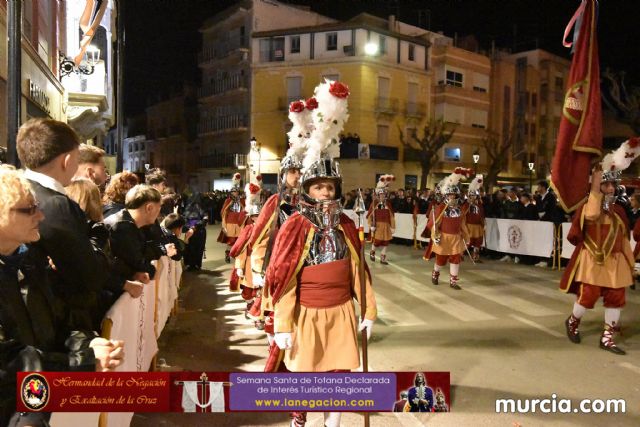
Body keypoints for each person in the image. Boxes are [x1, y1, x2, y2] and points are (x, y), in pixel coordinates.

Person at [267, 81, 376, 427]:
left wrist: (369, 312)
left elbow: (359, 273)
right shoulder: (296, 224)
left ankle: (333, 423)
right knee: (305, 373)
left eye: (329, 187)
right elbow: (284, 280)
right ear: (308, 191)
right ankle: (300, 418)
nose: (325, 192)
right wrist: (282, 325)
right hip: (307, 313)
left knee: (339, 375)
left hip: (342, 310)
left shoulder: (345, 224)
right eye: (318, 187)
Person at [0, 166, 123, 426]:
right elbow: (8, 362)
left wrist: (87, 344)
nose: (41, 215)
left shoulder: (31, 260)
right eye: (29, 209)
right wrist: (83, 361)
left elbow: (61, 318)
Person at [17, 118, 109, 331]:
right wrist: (97, 245)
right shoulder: (56, 204)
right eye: (77, 158)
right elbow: (90, 275)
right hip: (57, 323)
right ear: (67, 160)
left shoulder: (21, 190)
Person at [561, 141, 638, 355]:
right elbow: (593, 215)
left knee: (616, 298)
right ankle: (573, 321)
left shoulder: (620, 211)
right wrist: (595, 186)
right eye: (606, 185)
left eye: (613, 185)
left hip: (616, 262)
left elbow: (623, 240)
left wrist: (631, 264)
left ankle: (607, 338)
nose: (611, 188)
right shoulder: (589, 206)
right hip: (593, 259)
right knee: (588, 297)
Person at [248, 100, 308, 334]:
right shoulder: (275, 202)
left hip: (301, 264)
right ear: (283, 175)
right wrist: (258, 269)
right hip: (276, 262)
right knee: (276, 318)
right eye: (292, 172)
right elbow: (260, 236)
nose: (297, 175)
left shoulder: (307, 203)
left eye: (300, 172)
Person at [104, 185, 171, 297]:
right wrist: (146, 270)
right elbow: (140, 264)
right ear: (149, 208)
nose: (159, 213)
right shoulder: (122, 227)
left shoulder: (128, 224)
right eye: (159, 207)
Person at [424, 169, 471, 290]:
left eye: (454, 195)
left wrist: (466, 237)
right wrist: (435, 236)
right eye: (450, 195)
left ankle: (453, 281)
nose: (452, 197)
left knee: (456, 259)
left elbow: (463, 225)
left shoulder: (459, 209)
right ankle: (435, 274)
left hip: (456, 238)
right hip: (443, 237)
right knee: (440, 259)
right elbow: (435, 224)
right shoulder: (440, 208)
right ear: (446, 195)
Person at [229, 180, 263, 320]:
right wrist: (239, 266)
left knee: (261, 290)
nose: (257, 218)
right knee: (249, 290)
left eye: (259, 216)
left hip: (262, 263)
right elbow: (241, 248)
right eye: (254, 216)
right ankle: (250, 305)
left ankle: (258, 312)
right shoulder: (248, 229)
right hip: (249, 263)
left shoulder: (267, 230)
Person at [368, 175, 396, 264]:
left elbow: (391, 216)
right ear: (378, 195)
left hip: (387, 226)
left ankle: (383, 258)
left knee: (386, 243)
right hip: (378, 226)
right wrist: (371, 225)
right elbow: (370, 216)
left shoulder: (388, 204)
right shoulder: (374, 203)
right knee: (376, 242)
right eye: (381, 194)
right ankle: (372, 252)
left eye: (384, 194)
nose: (382, 196)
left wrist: (392, 227)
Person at [218, 173, 246, 263]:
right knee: (231, 240)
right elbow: (223, 212)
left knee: (239, 240)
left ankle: (237, 255)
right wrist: (224, 224)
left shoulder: (242, 200)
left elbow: (245, 210)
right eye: (234, 192)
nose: (235, 193)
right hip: (230, 222)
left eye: (236, 192)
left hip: (239, 222)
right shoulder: (228, 201)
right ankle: (227, 254)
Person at [183, 193, 209, 270]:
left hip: (194, 230)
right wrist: (194, 226)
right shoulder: (201, 207)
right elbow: (205, 219)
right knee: (196, 247)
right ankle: (195, 264)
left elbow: (204, 219)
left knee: (192, 247)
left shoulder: (188, 207)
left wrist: (190, 226)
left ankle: (191, 264)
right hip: (198, 230)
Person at [466, 175, 485, 263]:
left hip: (478, 226)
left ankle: (475, 256)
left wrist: (483, 224)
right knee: (468, 241)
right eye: (471, 196)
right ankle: (459, 255)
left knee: (478, 242)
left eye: (474, 196)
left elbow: (482, 215)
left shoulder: (479, 205)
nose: (472, 197)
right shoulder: (466, 205)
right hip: (469, 225)